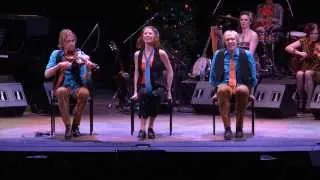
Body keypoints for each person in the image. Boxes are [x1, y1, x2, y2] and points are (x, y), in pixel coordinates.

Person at [44, 29, 97, 139]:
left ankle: (75, 126)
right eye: (68, 41)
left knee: (84, 93)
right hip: (63, 86)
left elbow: (86, 79)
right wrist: (59, 66)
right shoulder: (56, 54)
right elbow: (47, 74)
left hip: (78, 86)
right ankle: (68, 126)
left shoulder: (81, 55)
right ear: (63, 43)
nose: (72, 43)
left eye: (73, 41)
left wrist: (88, 69)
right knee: (61, 91)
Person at [209, 30, 257, 140]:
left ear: (237, 41)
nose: (230, 41)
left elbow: (253, 75)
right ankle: (227, 129)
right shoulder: (219, 54)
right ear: (225, 42)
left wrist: (252, 93)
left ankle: (239, 128)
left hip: (241, 84)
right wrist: (215, 91)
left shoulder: (246, 54)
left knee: (243, 91)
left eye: (233, 39)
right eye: (228, 39)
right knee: (222, 90)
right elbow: (213, 75)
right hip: (224, 84)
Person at [131, 25, 174, 140]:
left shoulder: (161, 53)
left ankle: (150, 127)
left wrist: (169, 90)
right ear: (142, 36)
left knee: (155, 95)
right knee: (144, 94)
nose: (147, 35)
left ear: (155, 37)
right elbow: (136, 73)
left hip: (158, 85)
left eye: (150, 33)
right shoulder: (137, 54)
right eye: (145, 33)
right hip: (143, 85)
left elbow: (170, 71)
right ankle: (142, 128)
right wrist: (135, 91)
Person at [285, 23, 319, 112]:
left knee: (308, 73)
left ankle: (308, 102)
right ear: (308, 33)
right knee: (299, 74)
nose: (314, 36)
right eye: (312, 33)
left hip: (317, 67)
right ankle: (301, 100)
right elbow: (288, 48)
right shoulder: (304, 41)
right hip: (306, 66)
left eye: (316, 33)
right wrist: (299, 53)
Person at [238, 11, 260, 77]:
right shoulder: (237, 35)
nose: (243, 21)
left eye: (246, 20)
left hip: (249, 62)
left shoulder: (253, 35)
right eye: (241, 20)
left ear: (250, 22)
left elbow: (250, 54)